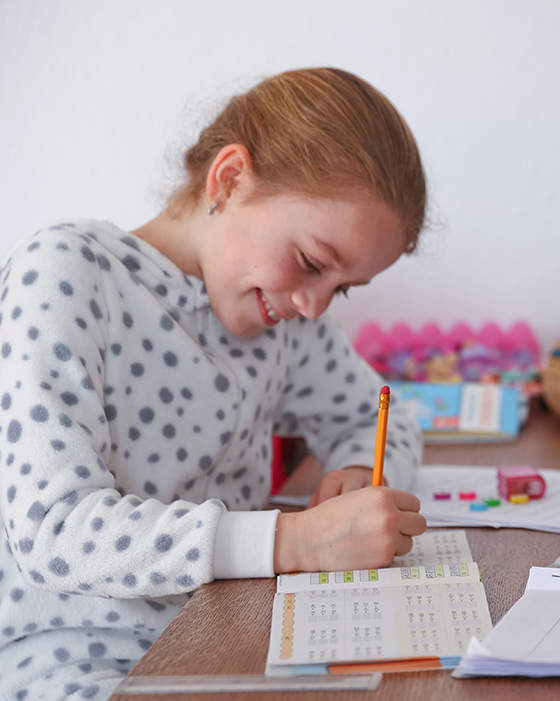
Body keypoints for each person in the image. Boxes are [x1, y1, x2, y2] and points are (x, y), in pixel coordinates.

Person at [0, 67, 428, 700]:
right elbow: (53, 531)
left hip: (236, 638)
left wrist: (363, 467)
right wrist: (296, 542)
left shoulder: (287, 320)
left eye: (340, 288)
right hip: (74, 659)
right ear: (228, 179)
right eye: (311, 262)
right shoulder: (67, 272)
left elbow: (377, 416)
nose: (315, 305)